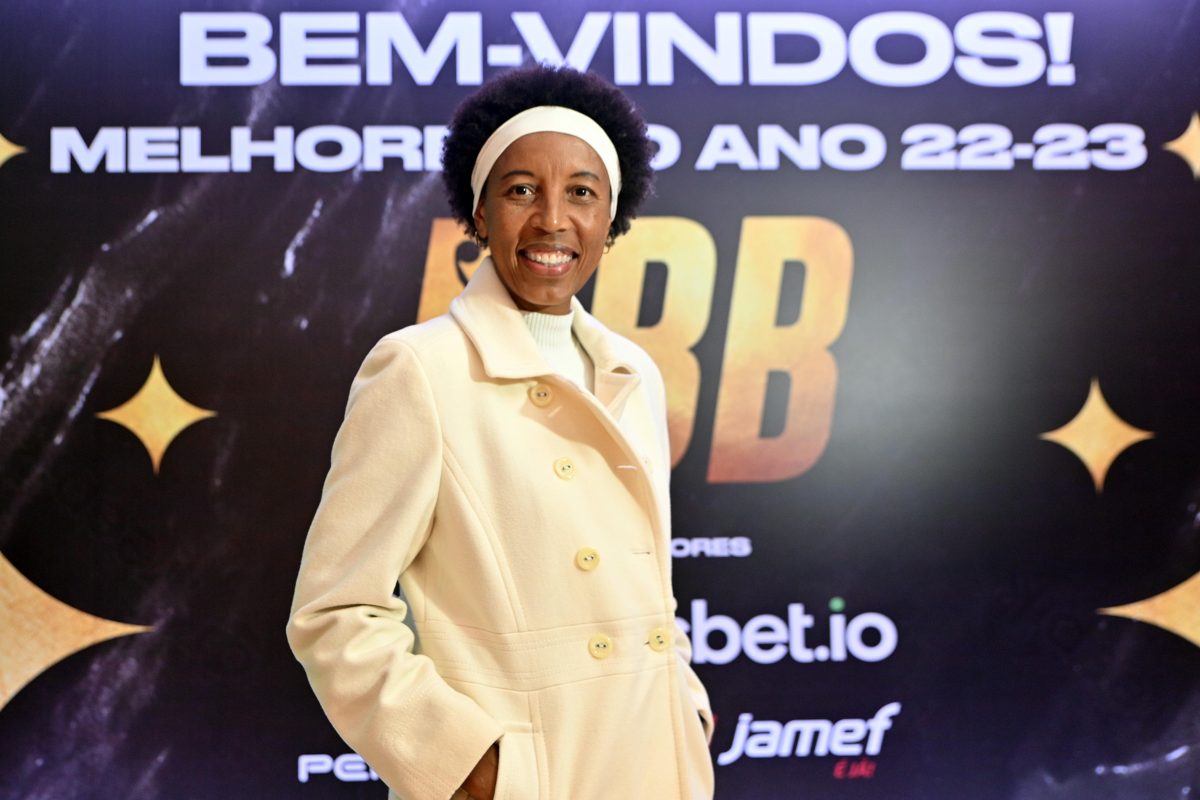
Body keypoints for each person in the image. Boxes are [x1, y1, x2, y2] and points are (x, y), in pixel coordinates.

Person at [287, 64, 714, 800]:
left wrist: (684, 699)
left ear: (612, 220)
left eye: (582, 192)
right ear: (479, 214)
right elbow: (334, 613)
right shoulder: (420, 369)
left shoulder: (633, 372)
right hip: (530, 777)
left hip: (653, 761)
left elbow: (645, 583)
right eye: (521, 191)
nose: (552, 220)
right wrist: (465, 763)